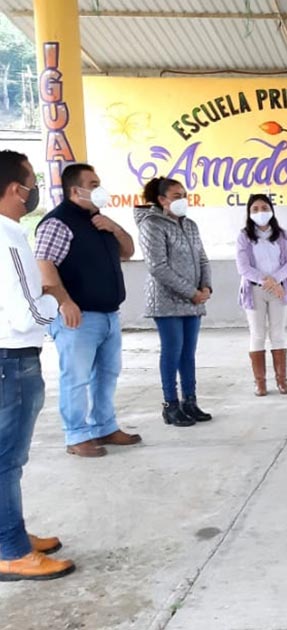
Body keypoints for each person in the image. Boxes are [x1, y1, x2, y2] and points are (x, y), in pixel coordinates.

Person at [0, 150, 75, 580]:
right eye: (31, 183)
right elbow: (28, 314)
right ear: (15, 190)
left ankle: (11, 534)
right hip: (12, 363)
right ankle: (11, 549)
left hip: (11, 361)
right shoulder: (9, 239)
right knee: (7, 461)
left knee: (6, 459)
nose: (34, 192)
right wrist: (56, 296)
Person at [35, 163, 141, 458]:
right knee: (76, 377)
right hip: (77, 316)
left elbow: (128, 251)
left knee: (107, 374)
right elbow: (44, 264)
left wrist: (115, 228)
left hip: (108, 314)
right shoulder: (57, 222)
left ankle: (104, 427)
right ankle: (77, 435)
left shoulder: (98, 219)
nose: (99, 189)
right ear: (74, 190)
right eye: (93, 184)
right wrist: (64, 302)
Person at [136, 177, 213, 428]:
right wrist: (190, 292)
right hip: (167, 300)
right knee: (173, 350)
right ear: (161, 200)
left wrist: (205, 287)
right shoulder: (152, 225)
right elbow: (158, 267)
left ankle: (190, 401)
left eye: (184, 194)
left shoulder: (190, 225)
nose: (183, 200)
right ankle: (171, 405)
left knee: (188, 353)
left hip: (193, 300)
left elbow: (202, 258)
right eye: (176, 195)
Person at [235, 194, 287, 396]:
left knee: (277, 334)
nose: (260, 212)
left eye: (264, 207)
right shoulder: (244, 236)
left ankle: (282, 381)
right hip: (255, 290)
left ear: (271, 210)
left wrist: (276, 280)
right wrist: (266, 281)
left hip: (278, 290)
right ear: (249, 213)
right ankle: (260, 383)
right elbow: (243, 267)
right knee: (258, 335)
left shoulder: (282, 235)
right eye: (255, 209)